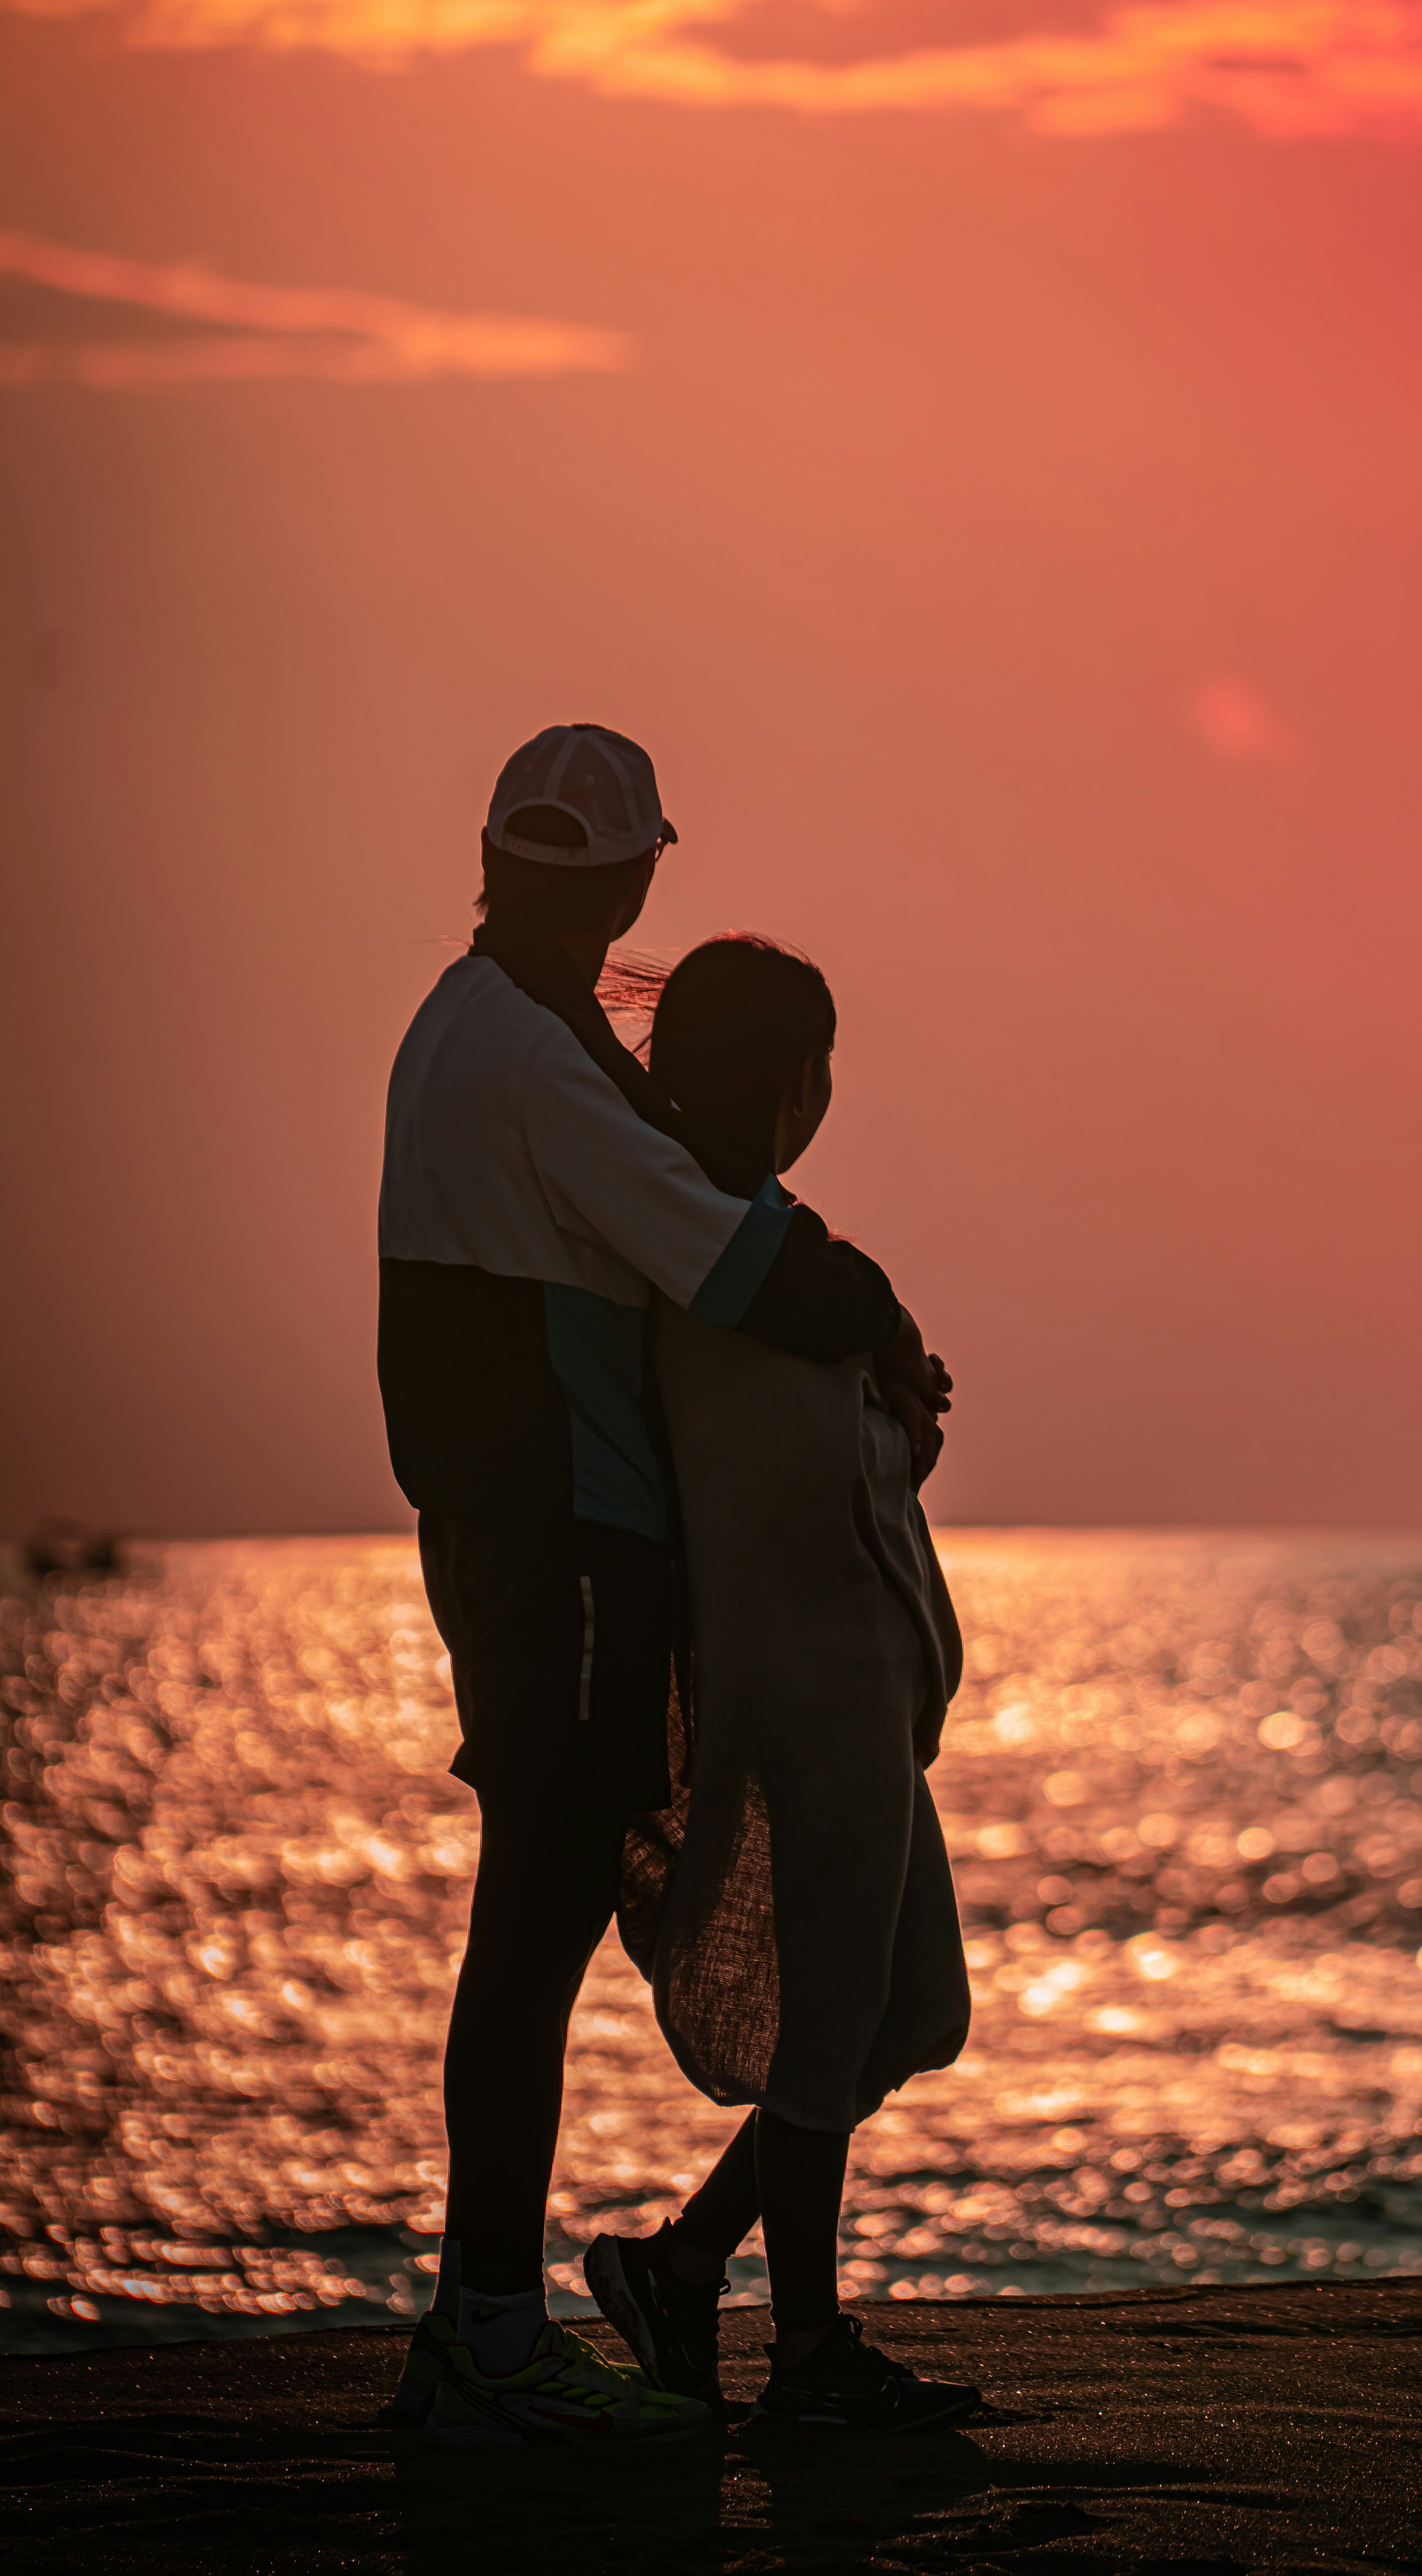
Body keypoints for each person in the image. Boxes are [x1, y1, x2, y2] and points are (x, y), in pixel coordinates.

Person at [377, 724, 950, 2451]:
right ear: (632, 882)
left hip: (524, 1537)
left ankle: (501, 2319)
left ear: (498, 862)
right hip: (559, 1542)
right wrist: (885, 1320)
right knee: (531, 1932)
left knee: (536, 1926)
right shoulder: (534, 1057)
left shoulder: (479, 1025)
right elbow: (740, 1251)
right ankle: (491, 2338)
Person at [583, 937, 979, 2432]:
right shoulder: (720, 1262)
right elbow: (807, 1482)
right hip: (809, 1692)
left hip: (858, 1691)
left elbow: (841, 1435)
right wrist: (896, 1401)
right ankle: (807, 2353)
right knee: (833, 2029)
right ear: (793, 1079)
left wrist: (888, 1375)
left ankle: (683, 2267)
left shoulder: (768, 1247)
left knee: (898, 2012)